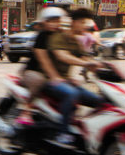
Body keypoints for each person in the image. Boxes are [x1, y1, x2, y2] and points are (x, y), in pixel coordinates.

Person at [44, 8, 105, 147]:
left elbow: (85, 57)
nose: (86, 26)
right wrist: (86, 62)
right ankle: (63, 133)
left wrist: (103, 65)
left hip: (66, 81)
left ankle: (85, 130)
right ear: (74, 23)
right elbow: (63, 56)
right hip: (51, 80)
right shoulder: (59, 36)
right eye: (83, 22)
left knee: (99, 101)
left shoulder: (76, 41)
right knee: (72, 94)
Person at [17, 7, 66, 125]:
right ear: (44, 22)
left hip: (51, 73)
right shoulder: (42, 36)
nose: (55, 24)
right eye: (51, 21)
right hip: (33, 71)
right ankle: (26, 110)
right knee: (38, 81)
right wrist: (53, 76)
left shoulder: (60, 35)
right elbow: (43, 59)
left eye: (57, 21)